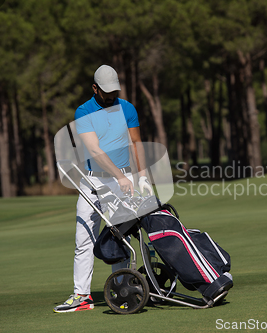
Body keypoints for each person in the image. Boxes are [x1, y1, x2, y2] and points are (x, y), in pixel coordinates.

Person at [54, 65, 152, 313]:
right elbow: (95, 151)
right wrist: (120, 176)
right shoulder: (83, 111)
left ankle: (122, 291)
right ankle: (82, 296)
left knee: (120, 237)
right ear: (94, 88)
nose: (111, 96)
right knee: (83, 238)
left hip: (124, 179)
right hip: (93, 181)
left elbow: (136, 143)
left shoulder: (127, 108)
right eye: (106, 92)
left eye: (114, 91)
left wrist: (141, 176)